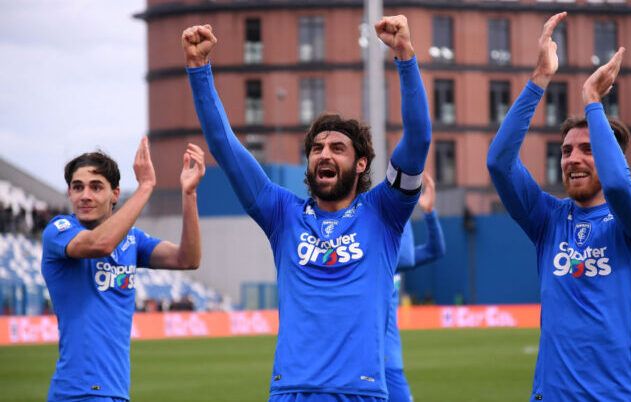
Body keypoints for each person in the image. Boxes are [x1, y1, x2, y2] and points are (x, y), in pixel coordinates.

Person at [182, 15, 430, 401]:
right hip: (292, 391)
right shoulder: (281, 213)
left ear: (361, 163)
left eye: (337, 148)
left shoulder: (385, 211)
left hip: (361, 393)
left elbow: (418, 139)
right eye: (316, 149)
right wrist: (199, 71)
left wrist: (405, 56)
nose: (324, 155)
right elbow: (224, 146)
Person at [486, 12, 631, 401]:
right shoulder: (549, 219)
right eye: (566, 151)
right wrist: (539, 77)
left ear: (611, 155)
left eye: (587, 150)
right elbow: (499, 162)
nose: (572, 159)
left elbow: (618, 185)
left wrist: (592, 100)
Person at [41, 138, 205, 401]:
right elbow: (100, 244)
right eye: (77, 187)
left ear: (115, 194)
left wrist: (189, 194)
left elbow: (187, 258)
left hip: (115, 391)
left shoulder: (132, 240)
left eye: (96, 187)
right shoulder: (59, 231)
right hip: (78, 392)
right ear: (69, 193)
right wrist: (146, 186)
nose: (85, 195)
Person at [387, 173, 445, 402]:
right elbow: (408, 257)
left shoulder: (393, 258)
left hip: (389, 361)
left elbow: (435, 250)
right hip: (378, 360)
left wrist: (429, 213)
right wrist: (406, 205)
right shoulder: (376, 256)